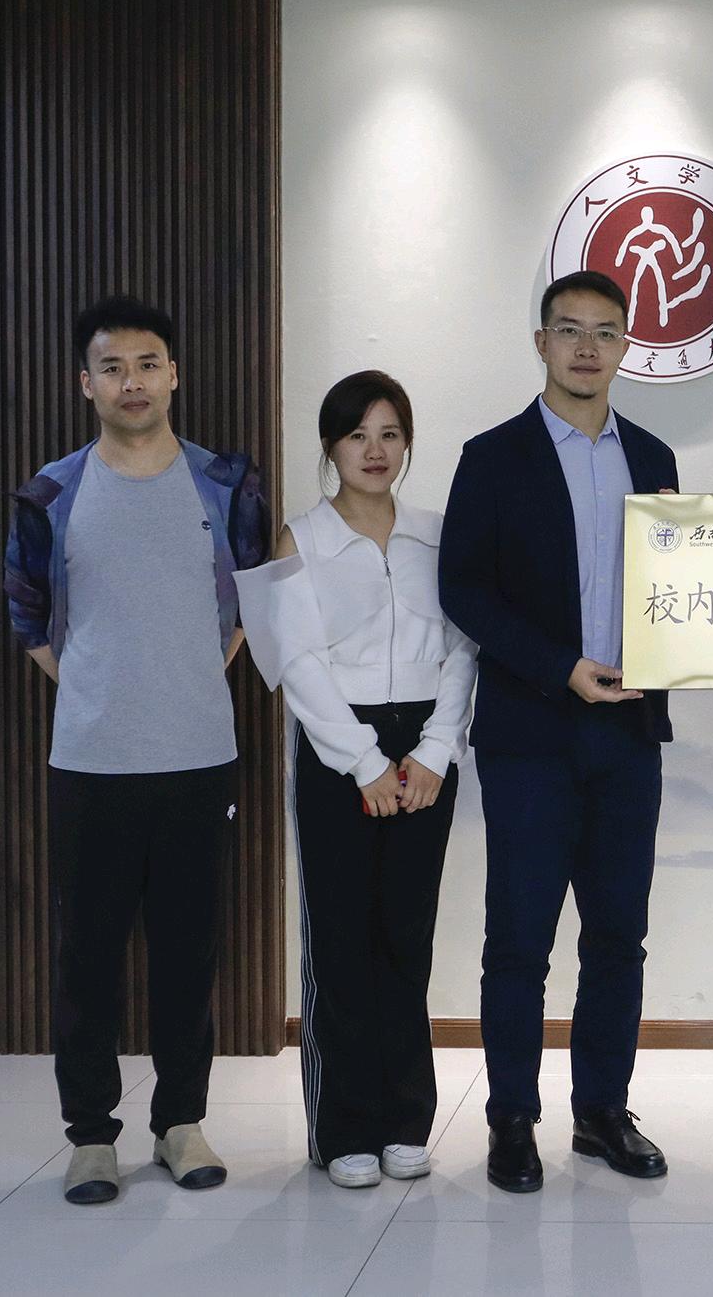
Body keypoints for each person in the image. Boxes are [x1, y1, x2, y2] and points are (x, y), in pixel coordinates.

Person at [3, 296, 269, 1205]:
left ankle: (180, 1121)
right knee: (87, 956)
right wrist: (95, 683)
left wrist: (186, 671)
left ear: (174, 375)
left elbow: (249, 601)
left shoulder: (225, 484)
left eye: (148, 364)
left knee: (189, 952)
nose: (132, 382)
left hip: (198, 756)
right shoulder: (51, 492)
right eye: (112, 367)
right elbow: (28, 614)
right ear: (86, 383)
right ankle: (90, 1135)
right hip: (91, 760)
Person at [439, 270, 679, 1194]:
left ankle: (601, 1111)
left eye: (606, 332)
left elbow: (680, 588)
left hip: (629, 734)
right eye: (569, 329)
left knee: (618, 935)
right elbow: (464, 588)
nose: (587, 347)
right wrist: (559, 666)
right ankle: (511, 1117)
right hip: (531, 732)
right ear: (540, 341)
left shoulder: (653, 455)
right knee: (519, 940)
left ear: (627, 347)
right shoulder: (492, 456)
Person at [235, 370, 478, 1190]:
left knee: (407, 937)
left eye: (390, 434)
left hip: (425, 753)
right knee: (340, 939)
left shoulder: (438, 535)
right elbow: (297, 666)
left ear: (407, 443)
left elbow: (463, 648)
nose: (375, 451)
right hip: (339, 749)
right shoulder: (297, 540)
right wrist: (366, 763)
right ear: (330, 445)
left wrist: (436, 749)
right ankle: (343, 1127)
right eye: (356, 435)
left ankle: (406, 1120)